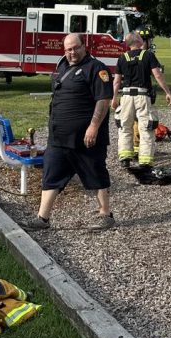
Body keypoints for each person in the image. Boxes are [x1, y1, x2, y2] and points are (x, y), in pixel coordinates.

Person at [21, 33, 116, 232]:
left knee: (95, 174)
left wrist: (93, 127)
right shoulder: (63, 66)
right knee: (51, 175)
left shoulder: (97, 69)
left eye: (75, 48)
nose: (72, 53)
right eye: (68, 49)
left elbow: (103, 100)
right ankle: (42, 219)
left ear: (84, 46)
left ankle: (105, 215)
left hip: (86, 138)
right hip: (59, 138)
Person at [112, 31, 171, 168]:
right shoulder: (148, 55)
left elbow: (116, 81)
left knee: (124, 127)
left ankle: (125, 157)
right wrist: (167, 92)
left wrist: (114, 98)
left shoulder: (122, 58)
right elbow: (157, 75)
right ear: (138, 41)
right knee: (146, 128)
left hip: (126, 96)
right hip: (142, 96)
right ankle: (145, 161)